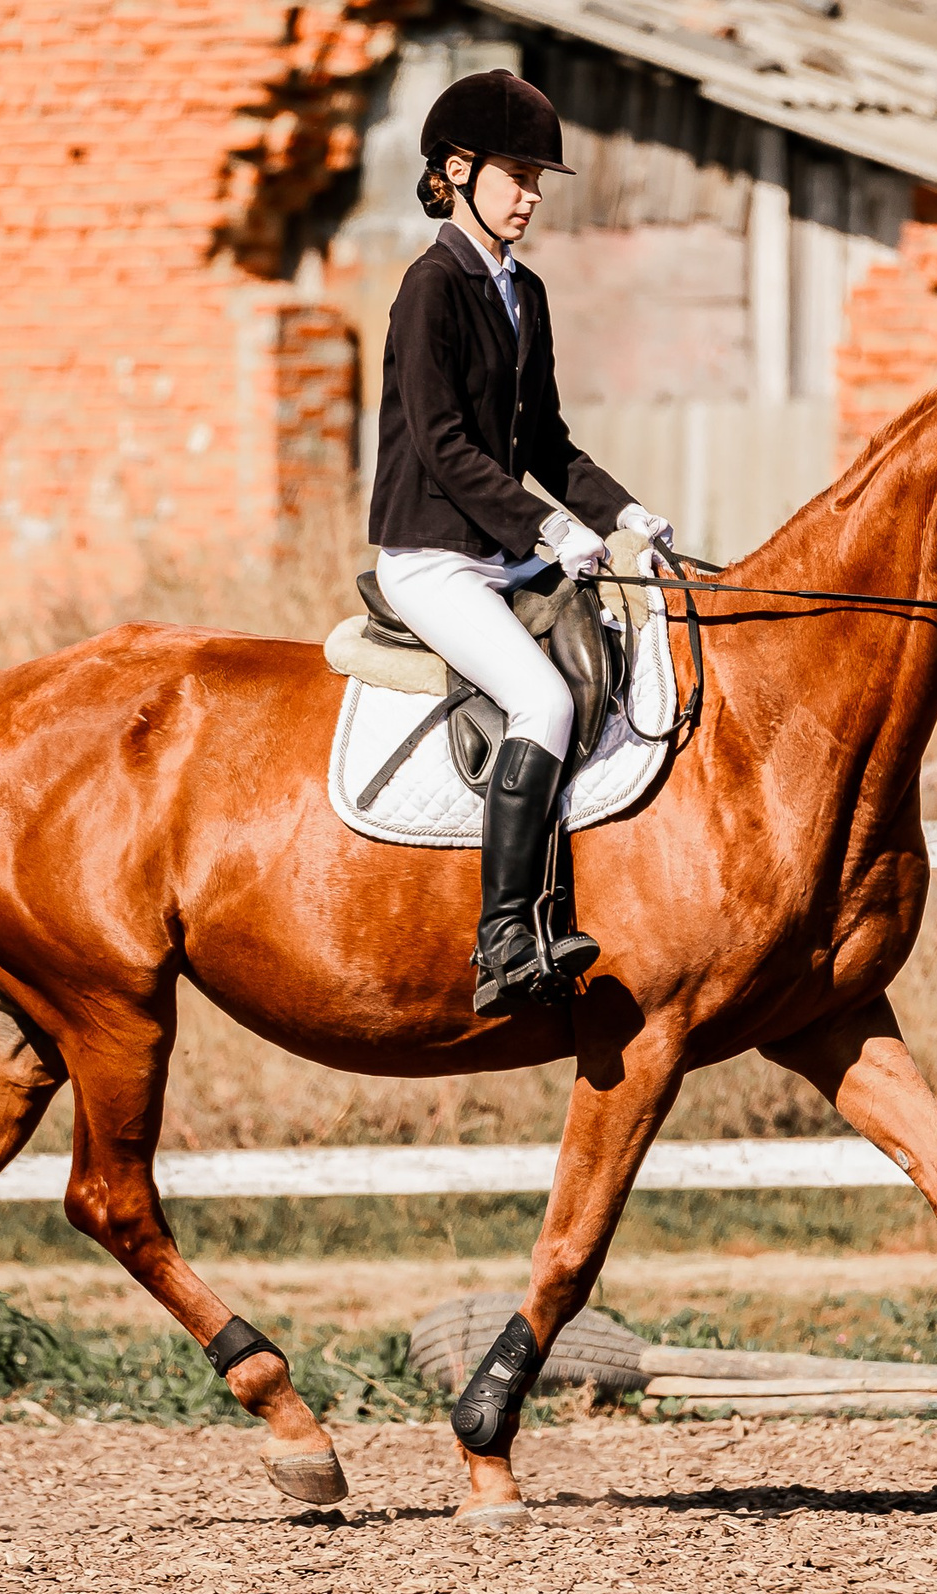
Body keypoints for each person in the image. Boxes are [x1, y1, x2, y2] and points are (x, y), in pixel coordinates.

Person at [366, 68, 675, 1017]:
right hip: (431, 554)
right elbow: (445, 443)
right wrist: (545, 526)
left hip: (503, 551)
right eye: (515, 176)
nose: (531, 196)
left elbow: (544, 441)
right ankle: (504, 933)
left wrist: (628, 518)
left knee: (618, 659)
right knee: (540, 696)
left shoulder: (522, 290)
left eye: (538, 180)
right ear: (457, 172)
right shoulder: (431, 288)